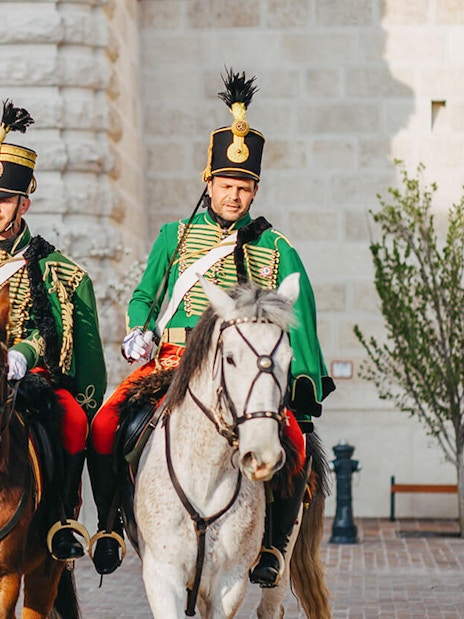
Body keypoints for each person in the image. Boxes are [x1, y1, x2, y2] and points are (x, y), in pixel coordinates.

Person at [93, 68, 335, 585]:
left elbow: (303, 318)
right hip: (174, 362)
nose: (234, 196)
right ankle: (111, 523)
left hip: (246, 373)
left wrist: (302, 382)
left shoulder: (277, 248)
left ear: (255, 190)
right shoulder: (174, 237)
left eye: (244, 187)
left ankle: (270, 549)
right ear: (209, 184)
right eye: (226, 185)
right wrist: (140, 326)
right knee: (105, 425)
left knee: (292, 444)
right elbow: (144, 294)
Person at [0, 100, 107, 562]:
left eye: (2, 199)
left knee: (74, 420)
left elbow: (53, 326)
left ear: (23, 202)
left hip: (27, 381)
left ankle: (62, 517)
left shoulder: (54, 269)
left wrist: (23, 350)